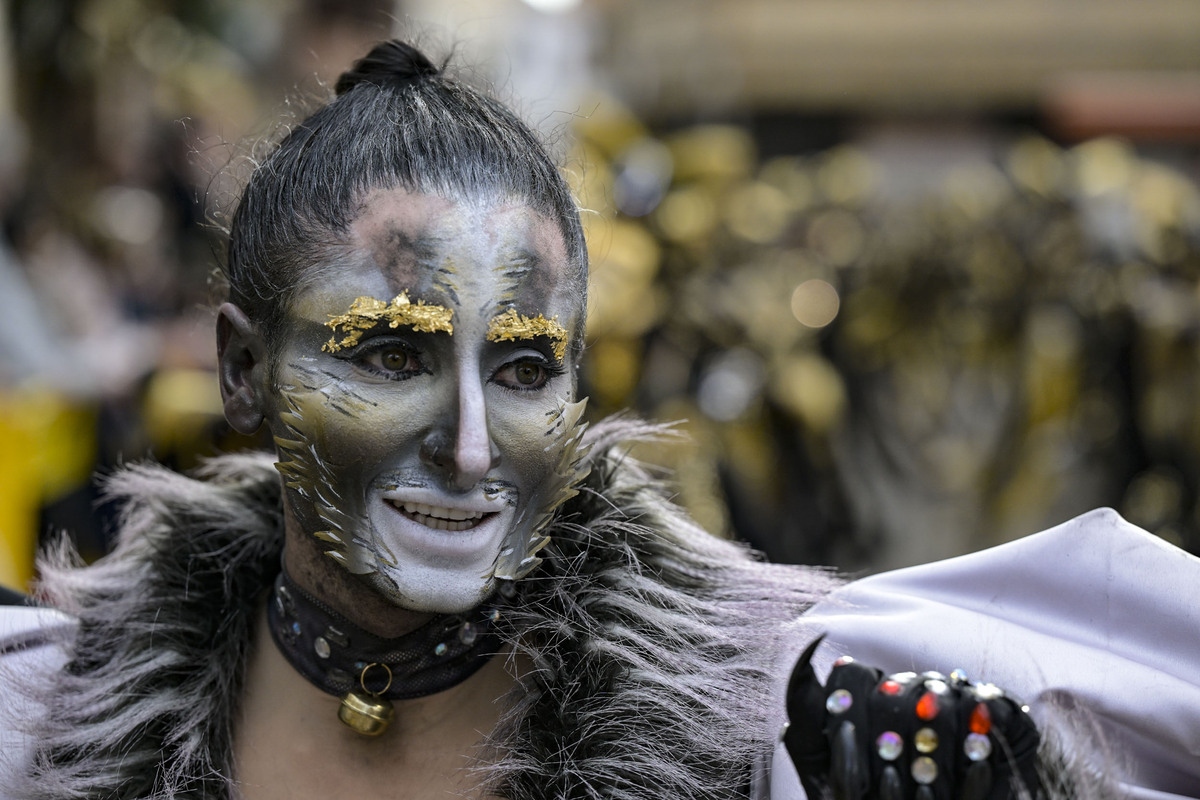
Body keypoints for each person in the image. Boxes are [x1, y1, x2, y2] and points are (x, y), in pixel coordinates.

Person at [1, 39, 1197, 800]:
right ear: (242, 370)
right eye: (393, 353)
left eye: (525, 371)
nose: (470, 447)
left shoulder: (777, 722)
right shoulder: (46, 726)